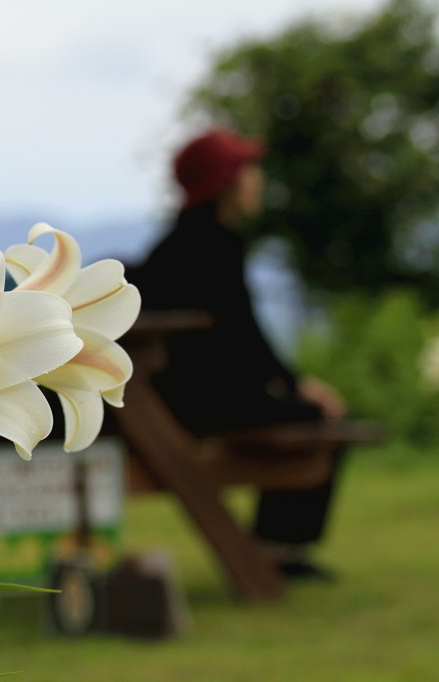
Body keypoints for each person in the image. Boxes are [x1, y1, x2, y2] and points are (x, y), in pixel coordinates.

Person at [132, 128, 346, 580]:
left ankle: (278, 547)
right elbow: (244, 337)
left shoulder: (177, 242)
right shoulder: (216, 244)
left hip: (180, 398)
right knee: (323, 416)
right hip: (207, 403)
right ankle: (280, 548)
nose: (258, 179)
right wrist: (294, 384)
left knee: (311, 413)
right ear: (225, 181)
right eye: (248, 170)